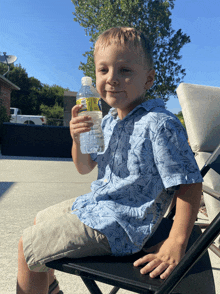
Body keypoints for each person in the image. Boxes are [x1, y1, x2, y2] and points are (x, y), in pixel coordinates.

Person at [17, 27, 203, 294]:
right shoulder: (107, 121)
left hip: (125, 223)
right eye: (103, 70)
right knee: (39, 221)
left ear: (149, 79)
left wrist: (176, 242)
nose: (112, 79)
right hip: (100, 205)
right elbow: (84, 167)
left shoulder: (159, 124)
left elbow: (190, 183)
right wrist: (77, 139)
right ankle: (52, 289)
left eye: (125, 70)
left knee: (27, 248)